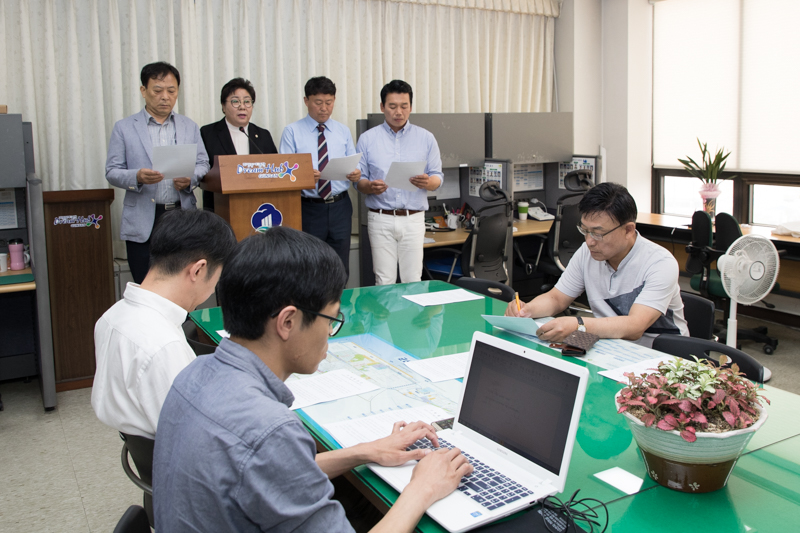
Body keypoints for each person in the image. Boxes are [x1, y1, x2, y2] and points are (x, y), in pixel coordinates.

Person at [153, 227, 472, 532]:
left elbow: (273, 475)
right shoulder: (271, 431)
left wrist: (364, 451)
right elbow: (268, 456)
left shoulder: (192, 374)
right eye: (331, 318)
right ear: (287, 321)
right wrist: (422, 489)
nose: (331, 334)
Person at [92, 209, 237, 439]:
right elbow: (195, 439)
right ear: (198, 270)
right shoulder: (163, 346)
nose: (213, 288)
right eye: (217, 278)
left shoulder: (111, 316)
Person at [506, 182, 689, 347]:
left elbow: (635, 327)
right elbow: (557, 298)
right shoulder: (587, 253)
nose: (589, 241)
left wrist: (578, 325)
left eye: (598, 233)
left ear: (628, 230)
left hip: (665, 355)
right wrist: (528, 309)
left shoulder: (660, 263)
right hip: (612, 346)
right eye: (584, 230)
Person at [106, 61, 210, 284]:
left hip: (181, 215)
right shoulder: (124, 127)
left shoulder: (188, 126)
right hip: (144, 216)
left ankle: (179, 321)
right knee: (145, 283)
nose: (165, 96)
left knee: (182, 281)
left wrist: (190, 179)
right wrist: (137, 177)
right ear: (144, 91)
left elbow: (203, 163)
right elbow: (112, 171)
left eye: (171, 91)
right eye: (158, 90)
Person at [356, 80, 443, 285]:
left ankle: (409, 317)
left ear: (410, 107)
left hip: (413, 218)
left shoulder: (426, 138)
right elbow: (358, 181)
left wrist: (427, 182)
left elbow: (438, 178)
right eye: (392, 106)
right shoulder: (367, 139)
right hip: (380, 217)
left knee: (412, 280)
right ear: (382, 107)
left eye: (404, 106)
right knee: (383, 280)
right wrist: (370, 186)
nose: (398, 112)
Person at [280, 76, 360, 275]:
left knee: (340, 266)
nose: (324, 108)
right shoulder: (292, 132)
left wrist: (356, 174)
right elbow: (284, 173)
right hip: (309, 208)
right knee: (309, 266)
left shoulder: (343, 131)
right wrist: (304, 176)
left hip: (340, 206)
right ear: (306, 101)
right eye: (318, 103)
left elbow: (353, 163)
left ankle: (338, 306)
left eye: (329, 102)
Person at [200, 77, 278, 212]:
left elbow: (274, 170)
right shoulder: (208, 133)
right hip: (220, 208)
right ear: (223, 106)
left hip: (257, 207)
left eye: (247, 102)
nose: (242, 106)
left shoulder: (263, 135)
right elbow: (203, 171)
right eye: (235, 101)